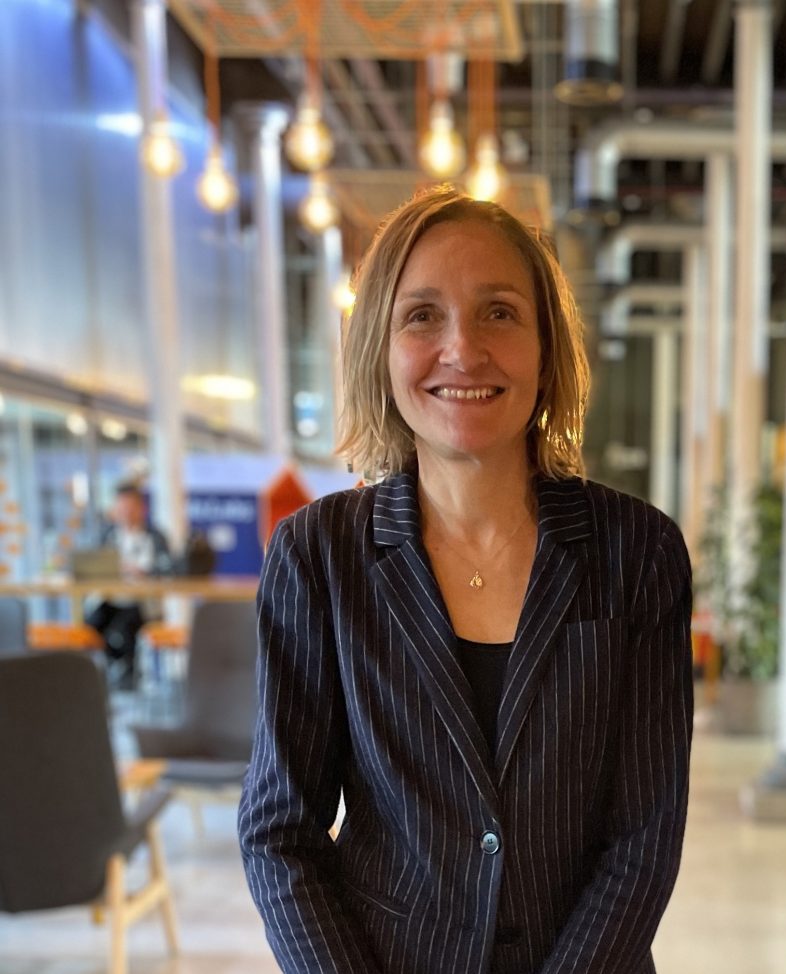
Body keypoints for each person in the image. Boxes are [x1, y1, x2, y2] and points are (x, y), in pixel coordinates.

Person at [238, 187, 694, 974]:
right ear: (378, 346)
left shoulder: (638, 551)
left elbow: (643, 840)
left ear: (546, 346)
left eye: (499, 313)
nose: (462, 350)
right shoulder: (319, 557)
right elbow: (280, 831)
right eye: (422, 315)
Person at [85, 482, 171, 686]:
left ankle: (128, 675)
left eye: (130, 508)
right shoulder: (107, 536)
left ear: (141, 509)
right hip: (110, 599)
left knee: (124, 630)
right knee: (90, 626)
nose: (125, 513)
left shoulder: (156, 537)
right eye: (121, 508)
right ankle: (116, 670)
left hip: (142, 605)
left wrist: (144, 572)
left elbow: (168, 568)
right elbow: (92, 566)